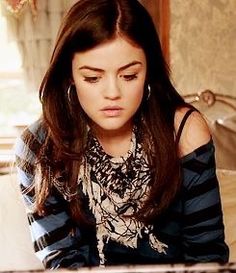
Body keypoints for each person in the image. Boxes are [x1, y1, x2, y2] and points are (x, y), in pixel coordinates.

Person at [15, 0, 229, 269]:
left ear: (148, 70)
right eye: (92, 78)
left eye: (129, 75)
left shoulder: (184, 131)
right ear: (69, 75)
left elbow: (207, 257)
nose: (112, 93)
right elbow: (63, 263)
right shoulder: (39, 146)